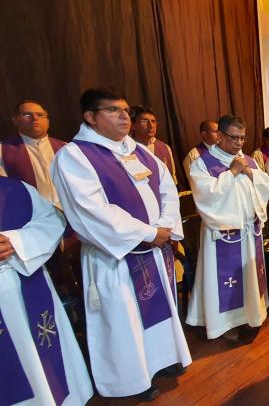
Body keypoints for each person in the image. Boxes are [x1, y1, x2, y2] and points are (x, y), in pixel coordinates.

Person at [51, 87, 190, 401]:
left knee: (160, 311)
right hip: (116, 257)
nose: (124, 116)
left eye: (126, 110)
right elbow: (93, 211)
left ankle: (163, 360)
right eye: (114, 110)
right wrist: (147, 232)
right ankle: (132, 379)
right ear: (91, 117)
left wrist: (164, 226)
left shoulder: (138, 151)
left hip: (153, 249)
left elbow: (167, 188)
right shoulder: (75, 156)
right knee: (124, 321)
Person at [0, 177, 94, 406]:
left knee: (43, 370)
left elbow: (52, 219)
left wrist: (16, 242)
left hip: (27, 281)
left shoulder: (15, 188)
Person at [186, 115, 269, 342]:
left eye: (243, 138)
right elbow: (205, 196)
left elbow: (267, 184)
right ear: (220, 136)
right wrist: (232, 173)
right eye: (234, 138)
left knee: (248, 279)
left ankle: (250, 315)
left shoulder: (247, 160)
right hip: (223, 237)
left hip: (248, 232)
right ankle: (224, 324)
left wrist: (251, 173)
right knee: (225, 282)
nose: (239, 143)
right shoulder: (203, 163)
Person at [0, 100, 66, 207]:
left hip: (69, 213)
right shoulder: (2, 150)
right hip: (30, 216)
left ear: (48, 121)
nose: (35, 118)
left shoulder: (66, 149)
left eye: (40, 115)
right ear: (15, 120)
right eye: (27, 115)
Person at [130, 105, 178, 184]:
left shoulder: (165, 148)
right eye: (144, 121)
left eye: (153, 121)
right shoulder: (127, 148)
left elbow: (172, 178)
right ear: (133, 125)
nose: (151, 126)